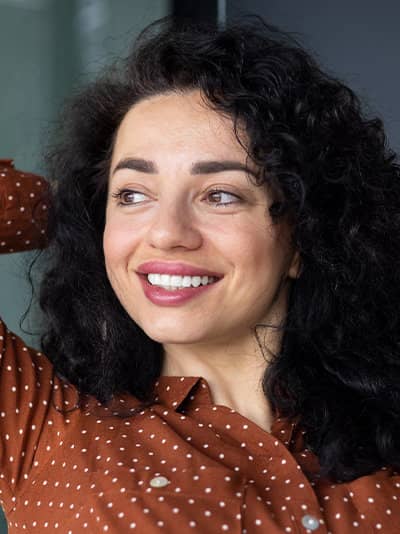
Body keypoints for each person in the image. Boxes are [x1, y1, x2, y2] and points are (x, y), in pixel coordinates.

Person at [0, 17, 399, 533]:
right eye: (132, 195)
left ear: (304, 236)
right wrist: (72, 207)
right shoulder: (44, 427)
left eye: (220, 195)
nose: (166, 232)